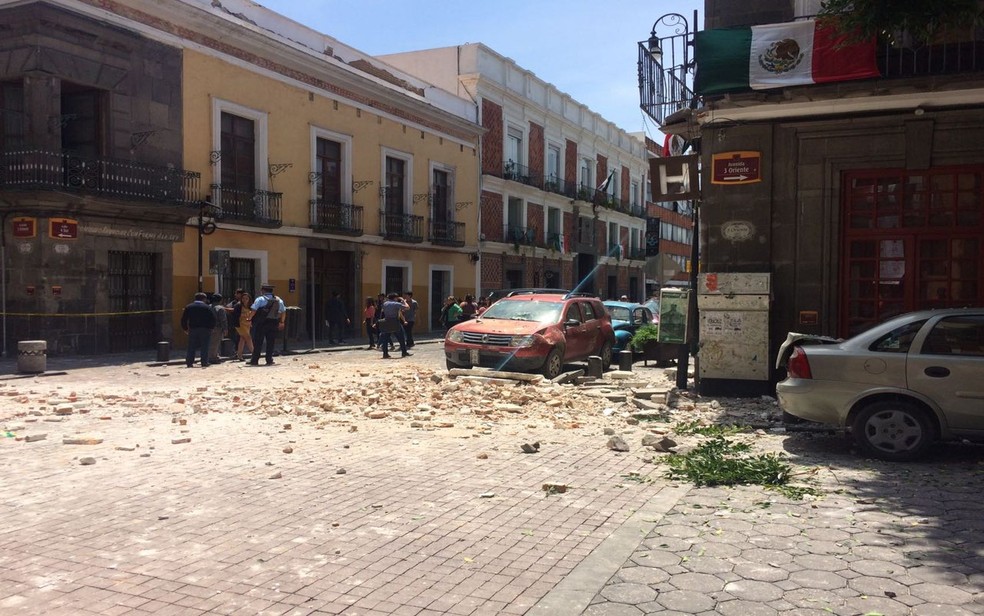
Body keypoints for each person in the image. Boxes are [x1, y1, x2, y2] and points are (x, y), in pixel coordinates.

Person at [248, 283, 286, 365]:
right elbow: (283, 311)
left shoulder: (260, 299)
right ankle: (269, 360)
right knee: (271, 342)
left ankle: (254, 360)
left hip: (261, 323)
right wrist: (282, 322)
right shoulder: (279, 300)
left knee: (258, 342)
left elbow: (254, 310)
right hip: (273, 322)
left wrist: (249, 319)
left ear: (263, 290)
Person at [180, 292, 216, 368]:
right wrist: (211, 328)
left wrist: (185, 328)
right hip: (205, 329)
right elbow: (213, 318)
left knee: (191, 346)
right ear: (204, 299)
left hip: (193, 329)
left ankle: (189, 362)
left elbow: (184, 319)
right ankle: (204, 362)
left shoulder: (189, 307)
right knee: (205, 346)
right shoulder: (208, 307)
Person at [377, 292, 411, 358]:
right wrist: (404, 301)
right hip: (395, 321)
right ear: (395, 298)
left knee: (385, 338)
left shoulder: (385, 304)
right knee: (401, 337)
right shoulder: (396, 304)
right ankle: (404, 352)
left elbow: (382, 311)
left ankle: (385, 353)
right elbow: (407, 308)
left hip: (386, 321)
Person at [233, 291, 255, 360]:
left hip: (247, 325)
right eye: (243, 298)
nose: (244, 300)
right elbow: (235, 315)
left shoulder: (250, 306)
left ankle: (239, 354)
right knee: (248, 338)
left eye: (246, 298)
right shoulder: (238, 306)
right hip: (240, 324)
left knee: (242, 339)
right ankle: (254, 353)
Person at [208, 293, 228, 363]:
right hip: (217, 327)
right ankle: (212, 357)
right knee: (215, 343)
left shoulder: (209, 307)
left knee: (210, 342)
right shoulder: (220, 308)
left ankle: (213, 355)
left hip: (208, 327)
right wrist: (225, 329)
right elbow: (223, 319)